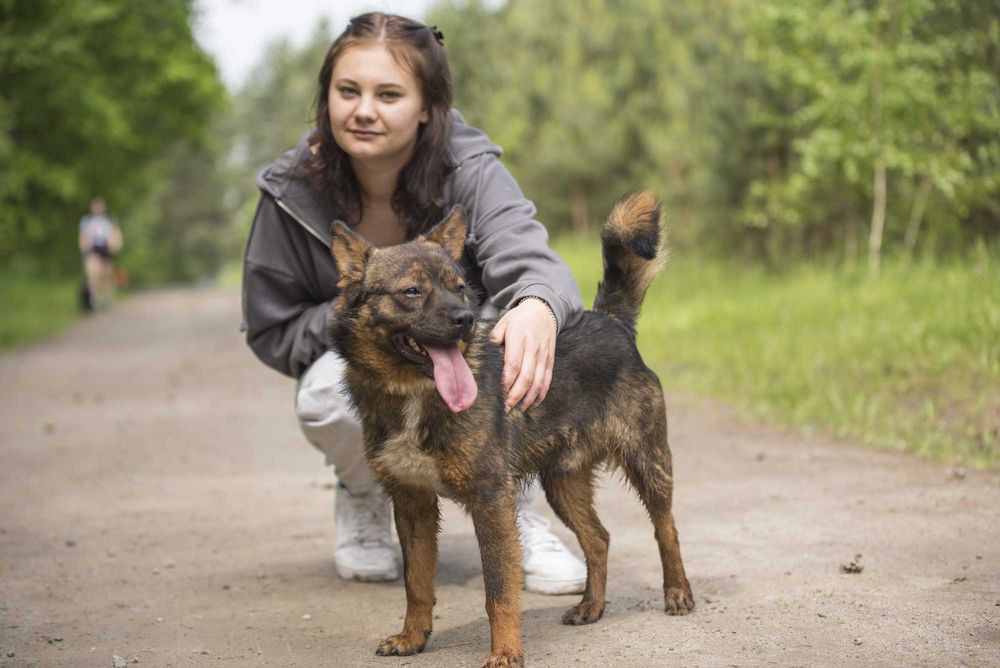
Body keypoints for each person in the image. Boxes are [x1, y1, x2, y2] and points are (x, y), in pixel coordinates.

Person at [241, 12, 587, 595]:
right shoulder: (289, 190)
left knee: (524, 342)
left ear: (428, 106)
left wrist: (536, 305)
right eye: (347, 90)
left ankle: (508, 503)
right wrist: (365, 322)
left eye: (389, 93)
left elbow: (533, 260)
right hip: (364, 360)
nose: (364, 109)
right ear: (326, 97)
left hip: (462, 345)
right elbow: (270, 324)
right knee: (330, 390)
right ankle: (366, 494)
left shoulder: (471, 169)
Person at [79, 198, 123, 310]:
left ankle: (107, 299)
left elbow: (115, 236)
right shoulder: (86, 222)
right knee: (93, 275)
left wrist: (114, 247)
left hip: (106, 251)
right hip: (93, 250)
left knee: (107, 276)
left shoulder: (108, 222)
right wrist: (85, 248)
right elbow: (83, 238)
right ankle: (93, 300)